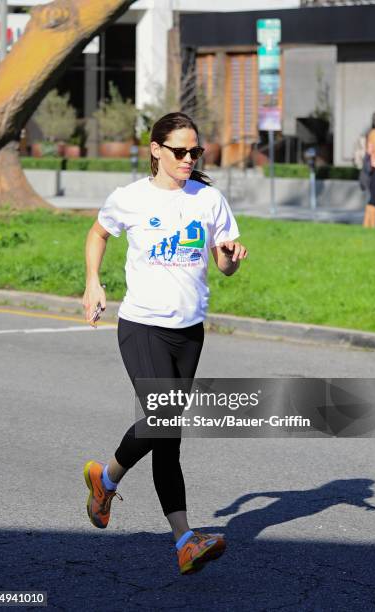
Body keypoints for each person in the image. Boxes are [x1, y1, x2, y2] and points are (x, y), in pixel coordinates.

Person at [82, 112, 247, 575]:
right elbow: (98, 234)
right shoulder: (130, 198)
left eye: (196, 152)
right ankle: (111, 481)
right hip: (142, 325)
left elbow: (223, 263)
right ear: (156, 149)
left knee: (167, 438)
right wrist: (93, 283)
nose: (189, 159)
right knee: (162, 418)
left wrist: (232, 260)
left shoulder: (209, 199)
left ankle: (179, 539)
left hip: (188, 330)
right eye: (180, 151)